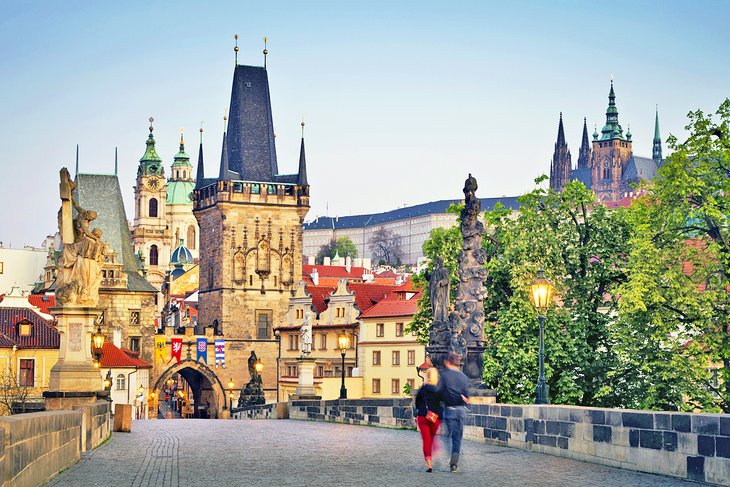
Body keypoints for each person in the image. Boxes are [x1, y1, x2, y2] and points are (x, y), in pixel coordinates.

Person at [438, 352, 470, 472]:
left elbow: (438, 391)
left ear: (447, 362)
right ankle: (454, 463)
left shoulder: (445, 376)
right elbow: (467, 397)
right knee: (457, 437)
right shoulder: (463, 376)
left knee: (447, 436)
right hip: (461, 411)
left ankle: (451, 457)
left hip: (450, 410)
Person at [414, 364, 442, 472]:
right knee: (432, 438)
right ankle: (435, 447)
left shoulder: (423, 388)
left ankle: (429, 465)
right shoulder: (438, 390)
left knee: (426, 440)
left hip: (423, 416)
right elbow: (441, 404)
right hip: (435, 418)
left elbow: (417, 402)